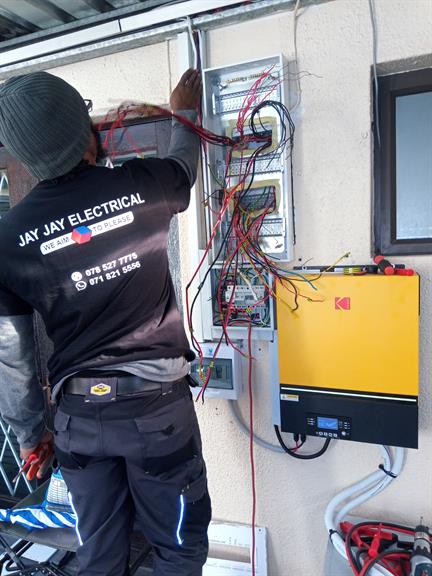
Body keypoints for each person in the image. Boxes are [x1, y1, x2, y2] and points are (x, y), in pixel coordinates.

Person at [0, 68, 211, 576]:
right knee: (177, 551)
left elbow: (12, 354)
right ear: (86, 132)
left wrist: (30, 434)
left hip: (78, 424)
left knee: (99, 557)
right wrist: (185, 111)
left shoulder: (7, 241)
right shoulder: (143, 185)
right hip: (156, 415)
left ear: (23, 156)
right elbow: (183, 167)